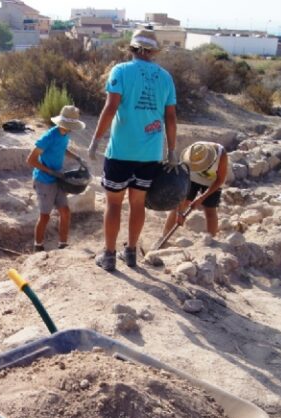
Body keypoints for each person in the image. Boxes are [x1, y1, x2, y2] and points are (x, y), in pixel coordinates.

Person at [87, 28, 177, 271]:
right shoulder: (165, 77)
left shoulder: (121, 71)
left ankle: (108, 255)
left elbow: (110, 108)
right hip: (150, 155)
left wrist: (96, 140)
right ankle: (131, 253)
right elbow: (170, 117)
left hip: (120, 153)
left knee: (113, 204)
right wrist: (172, 150)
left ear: (133, 48)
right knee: (138, 204)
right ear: (153, 52)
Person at [26, 105, 86, 251]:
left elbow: (62, 148)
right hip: (44, 180)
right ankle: (38, 246)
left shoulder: (65, 135)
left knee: (65, 212)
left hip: (58, 178)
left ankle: (63, 245)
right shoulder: (48, 137)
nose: (70, 128)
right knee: (45, 216)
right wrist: (50, 172)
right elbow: (31, 160)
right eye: (69, 125)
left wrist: (77, 157)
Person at [163, 142, 229, 238]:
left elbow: (220, 180)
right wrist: (180, 213)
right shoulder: (190, 155)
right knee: (179, 206)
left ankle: (211, 241)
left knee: (210, 210)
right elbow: (182, 192)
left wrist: (202, 198)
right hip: (193, 177)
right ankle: (165, 236)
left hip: (213, 180)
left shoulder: (221, 154)